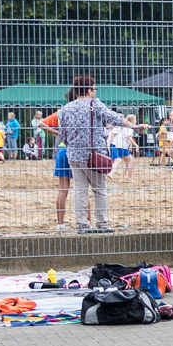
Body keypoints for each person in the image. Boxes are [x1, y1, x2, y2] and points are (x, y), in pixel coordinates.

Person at [59, 76, 124, 234]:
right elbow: (113, 118)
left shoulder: (66, 108)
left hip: (74, 154)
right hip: (93, 155)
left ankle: (82, 225)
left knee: (80, 190)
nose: (95, 92)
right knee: (100, 189)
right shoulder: (94, 104)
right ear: (89, 90)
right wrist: (135, 126)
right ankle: (102, 223)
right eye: (95, 89)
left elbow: (62, 136)